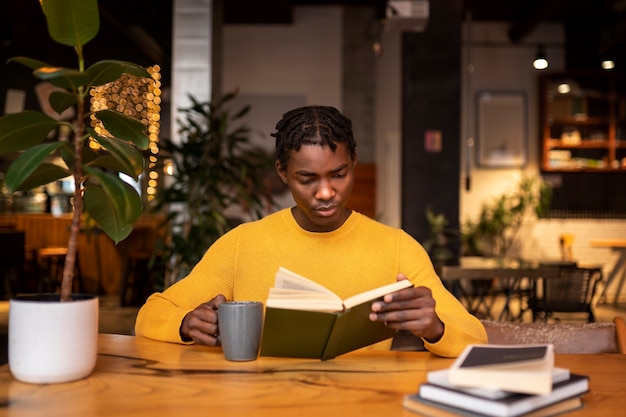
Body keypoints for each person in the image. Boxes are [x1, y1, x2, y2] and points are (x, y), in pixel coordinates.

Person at [135, 105, 487, 357]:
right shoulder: (243, 243)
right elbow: (151, 314)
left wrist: (436, 327)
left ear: (354, 165)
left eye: (339, 174)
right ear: (283, 172)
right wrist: (184, 323)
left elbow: (475, 336)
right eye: (307, 178)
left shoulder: (396, 247)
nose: (325, 192)